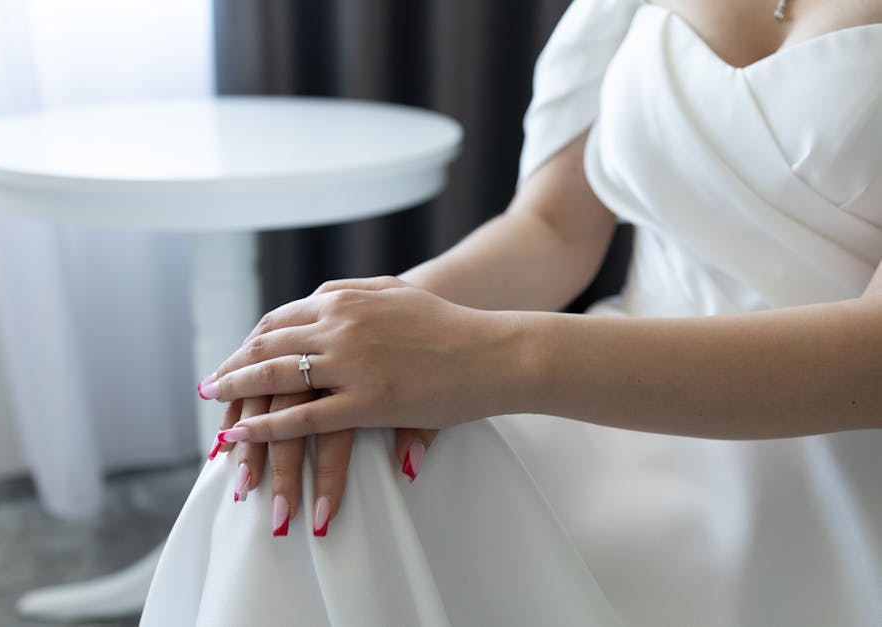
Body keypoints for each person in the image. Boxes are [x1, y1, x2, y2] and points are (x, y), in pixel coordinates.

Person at [141, 0, 882, 624]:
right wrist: (360, 328)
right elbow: (553, 228)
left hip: (828, 445)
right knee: (319, 447)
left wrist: (489, 358)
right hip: (604, 394)